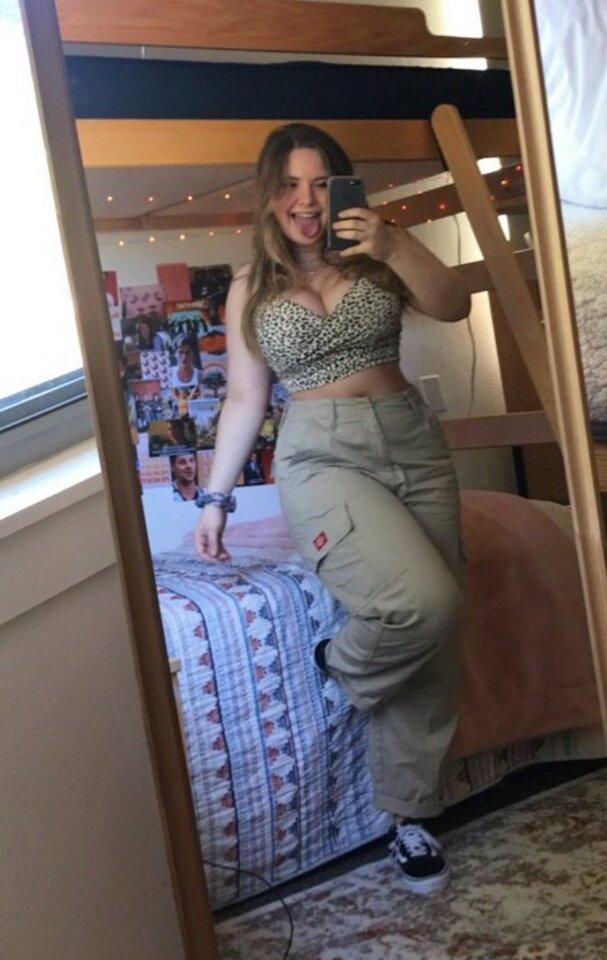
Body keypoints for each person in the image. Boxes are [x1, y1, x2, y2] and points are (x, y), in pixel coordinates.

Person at [194, 122, 471, 897]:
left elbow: (453, 304)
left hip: (411, 440)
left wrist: (393, 245)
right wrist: (215, 499)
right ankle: (341, 663)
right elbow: (244, 400)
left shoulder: (379, 253)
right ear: (268, 195)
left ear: (341, 187)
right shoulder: (250, 287)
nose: (306, 200)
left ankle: (408, 817)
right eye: (289, 184)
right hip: (319, 453)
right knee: (423, 601)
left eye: (320, 182)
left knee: (439, 629)